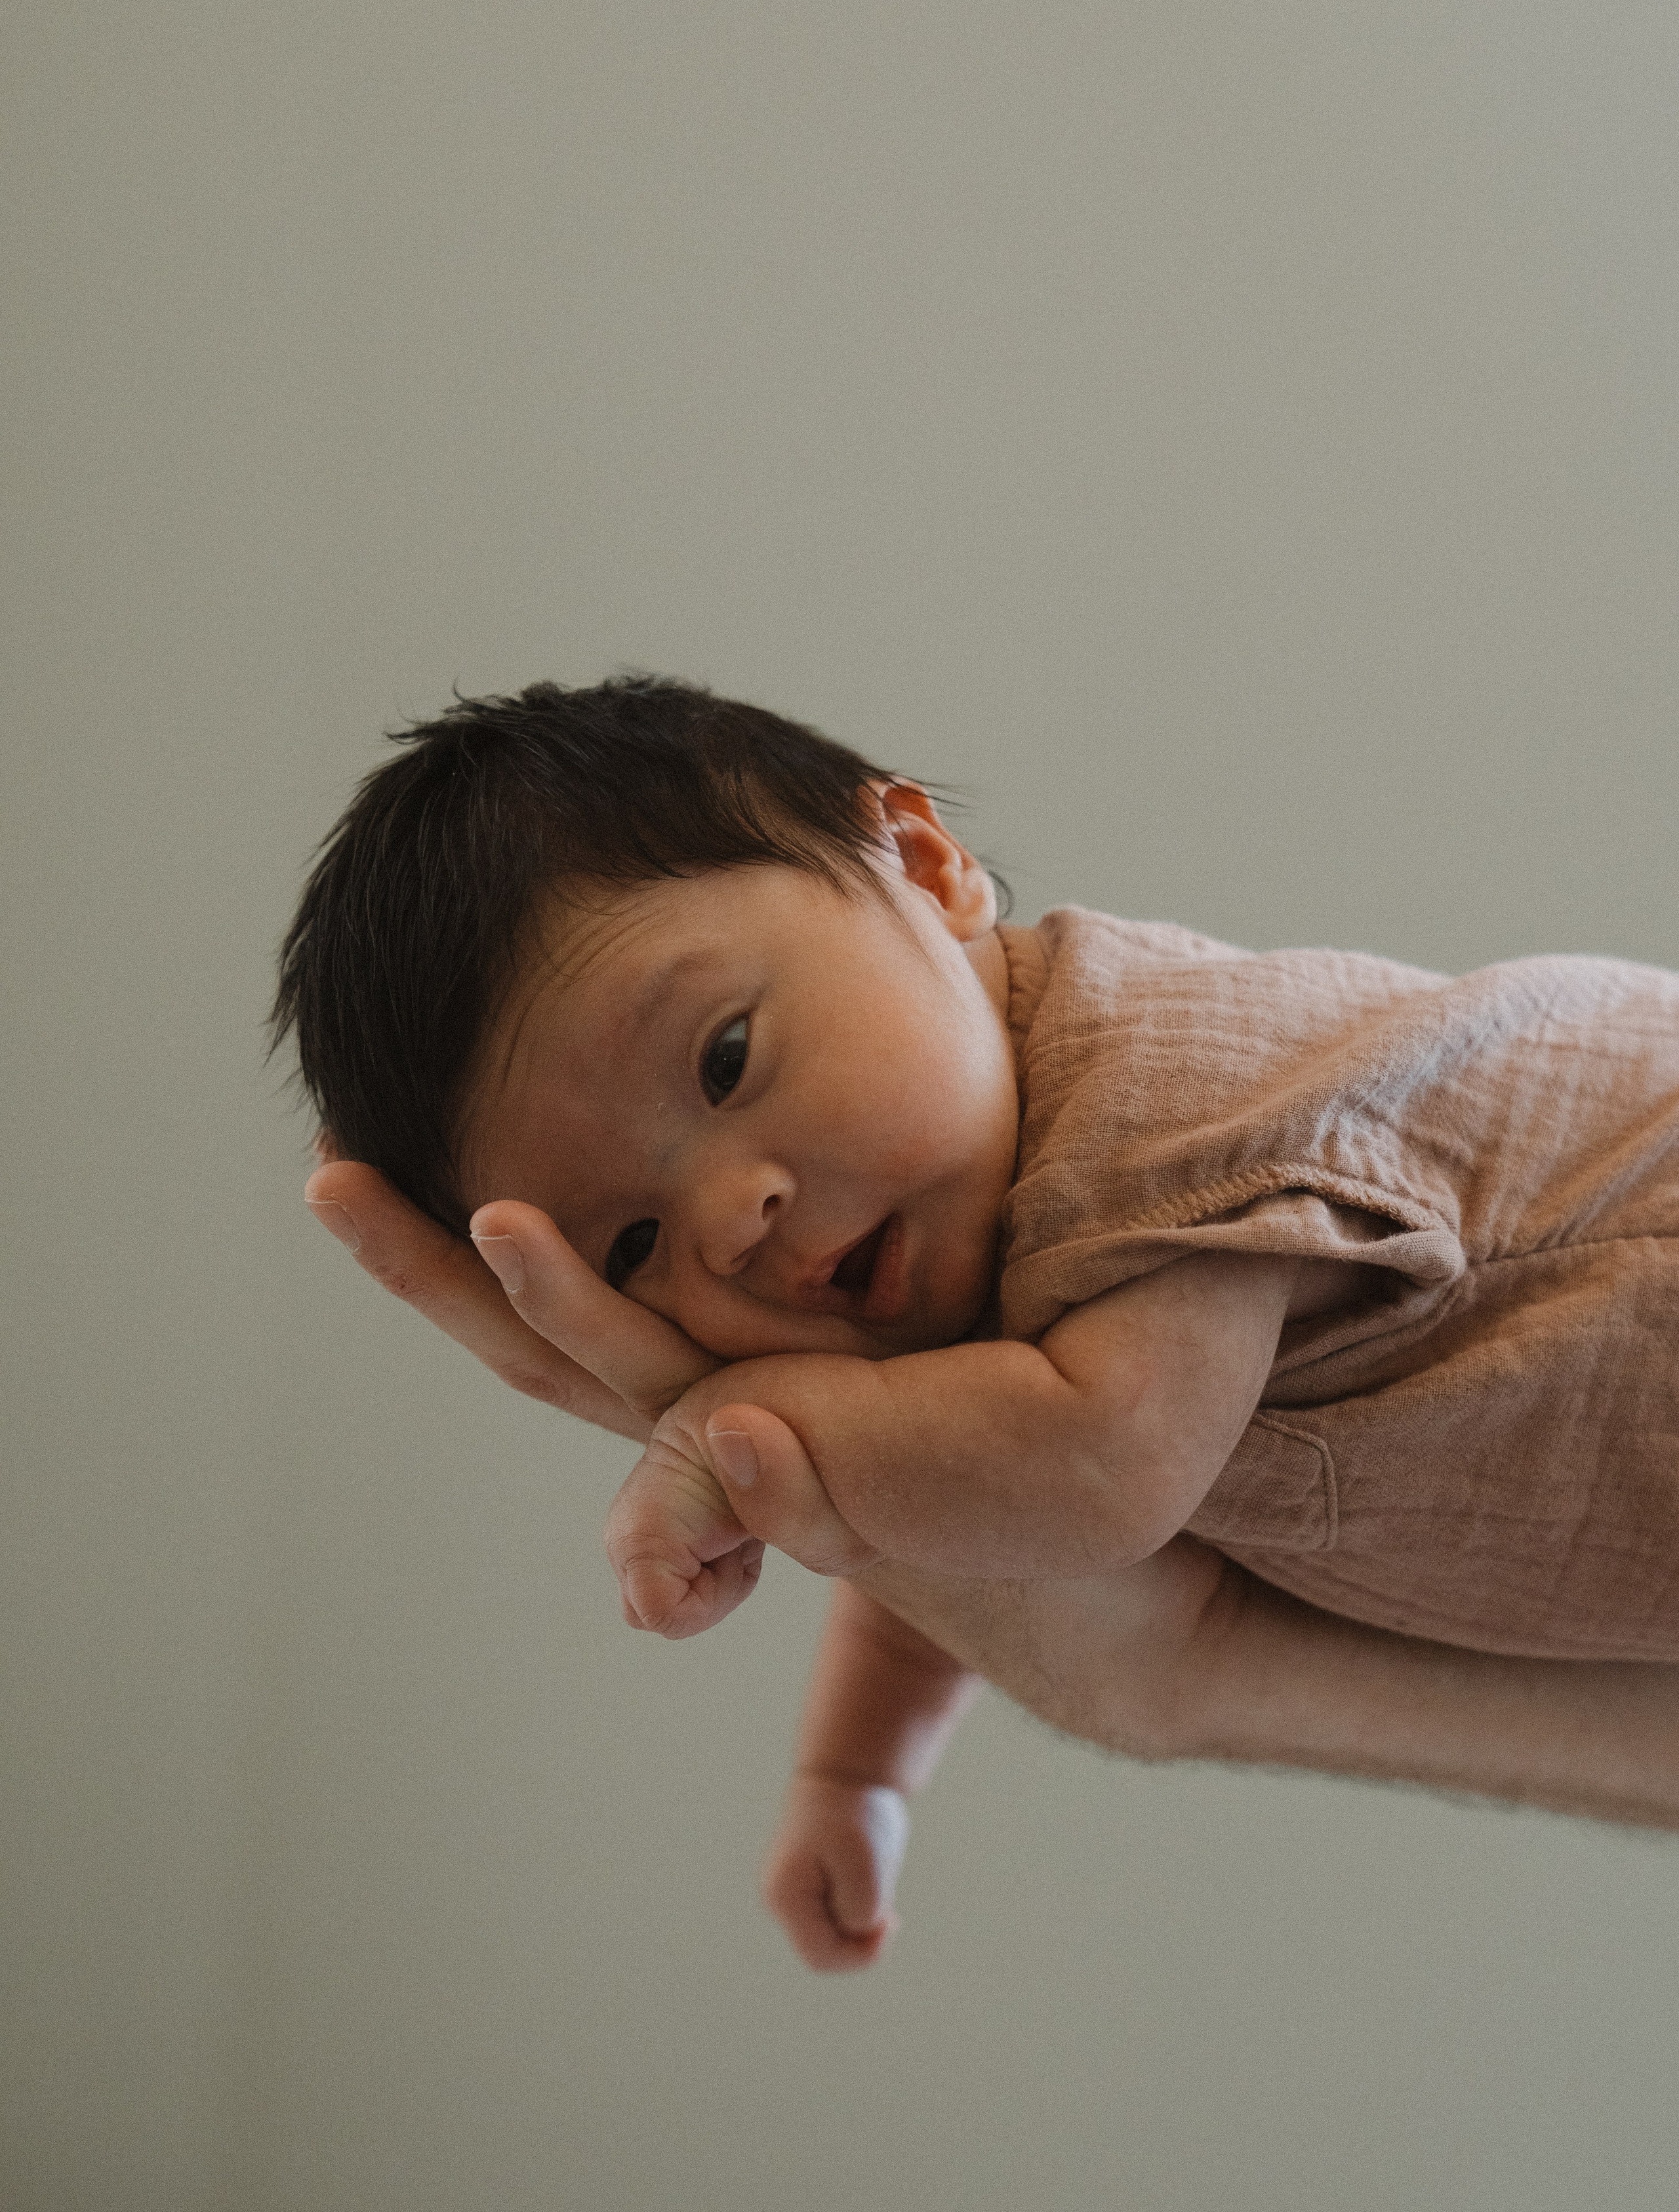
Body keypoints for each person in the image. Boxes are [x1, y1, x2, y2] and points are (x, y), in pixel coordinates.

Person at [278, 675, 1679, 1969]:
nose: (729, 1216)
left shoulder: (1151, 1101)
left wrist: (730, 1435)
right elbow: (970, 1506)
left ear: (924, 866)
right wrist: (857, 1771)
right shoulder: (988, 1314)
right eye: (630, 1246)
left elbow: (1100, 1463)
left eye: (725, 1058)